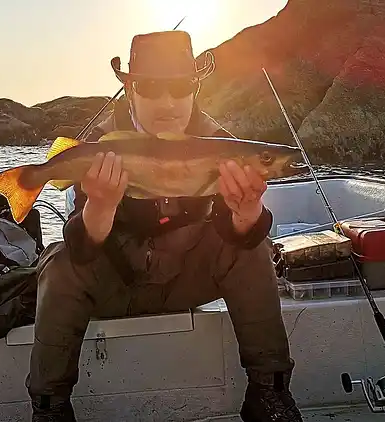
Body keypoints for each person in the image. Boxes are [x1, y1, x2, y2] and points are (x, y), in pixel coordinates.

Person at [27, 30, 303, 422]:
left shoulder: (222, 145)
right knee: (58, 262)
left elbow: (235, 234)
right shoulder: (101, 144)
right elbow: (82, 249)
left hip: (186, 281)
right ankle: (49, 408)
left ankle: (269, 392)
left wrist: (246, 214)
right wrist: (101, 207)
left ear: (195, 88)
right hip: (116, 286)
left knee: (254, 246)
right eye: (152, 89)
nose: (168, 102)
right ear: (131, 91)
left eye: (179, 88)